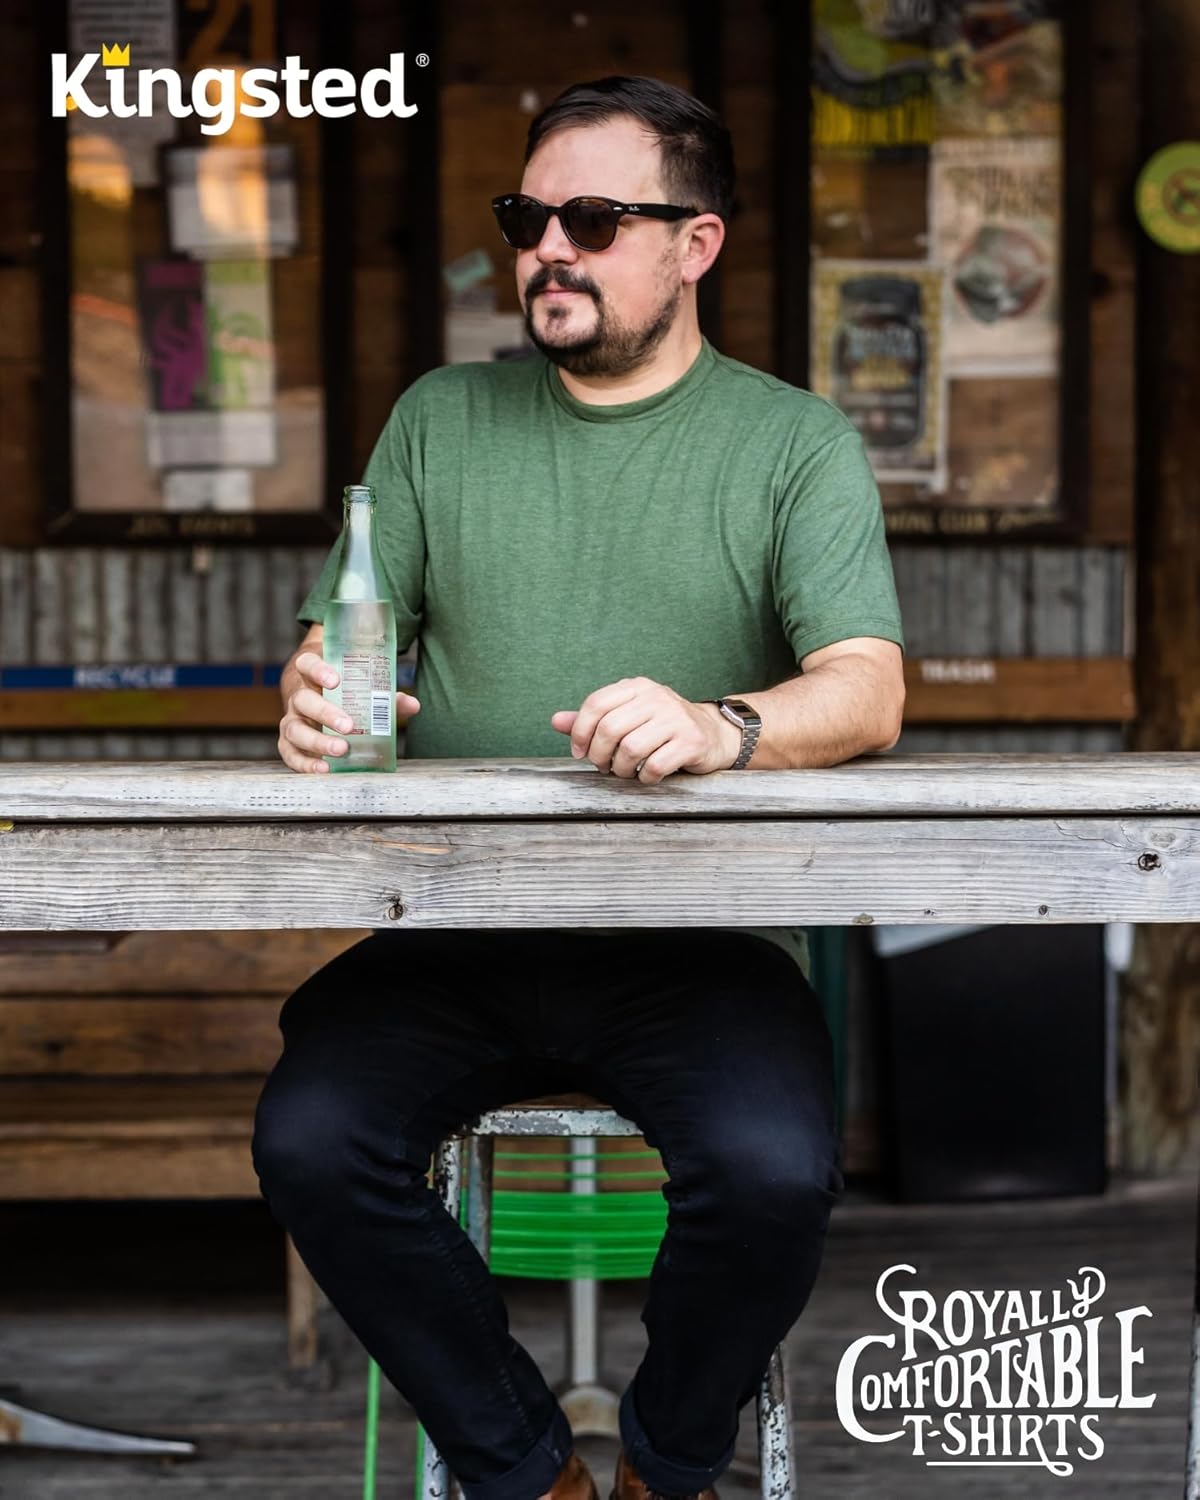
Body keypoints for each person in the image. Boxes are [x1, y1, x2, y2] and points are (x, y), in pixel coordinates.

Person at [255, 75, 905, 1500]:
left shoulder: (792, 442)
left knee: (774, 1172)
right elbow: (336, 647)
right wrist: (309, 700)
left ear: (696, 244)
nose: (548, 248)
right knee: (309, 1136)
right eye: (527, 217)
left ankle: (667, 1465)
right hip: (454, 928)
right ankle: (528, 1472)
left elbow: (867, 686)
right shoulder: (440, 418)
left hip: (700, 943)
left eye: (594, 220)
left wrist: (721, 725)